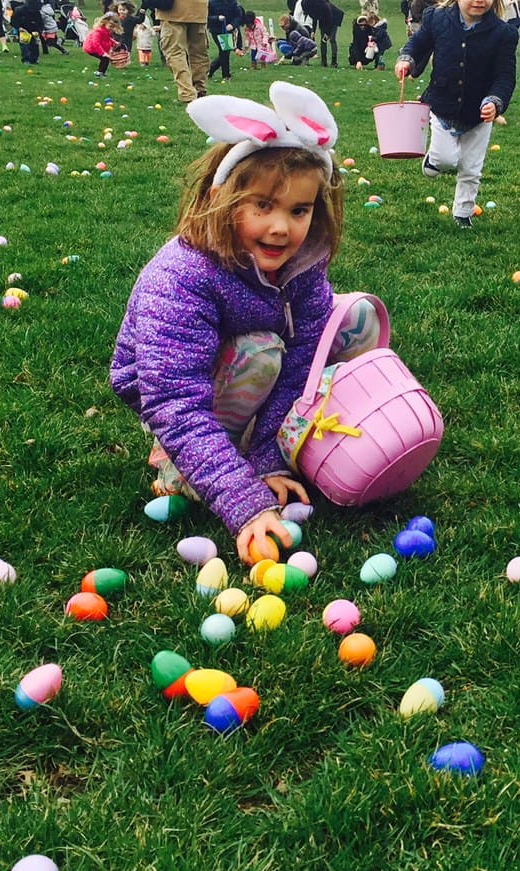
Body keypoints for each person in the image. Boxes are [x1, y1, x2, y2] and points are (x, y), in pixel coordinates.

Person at [111, 81, 375, 562]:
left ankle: (265, 449)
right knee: (260, 352)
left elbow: (305, 362)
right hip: (176, 398)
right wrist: (245, 501)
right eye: (262, 206)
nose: (281, 228)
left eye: (299, 210)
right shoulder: (182, 278)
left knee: (353, 318)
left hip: (252, 374)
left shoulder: (302, 266)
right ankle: (186, 467)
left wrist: (271, 459)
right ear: (224, 199)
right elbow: (172, 398)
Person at [395, 0, 518, 229]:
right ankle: (433, 159)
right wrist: (407, 59)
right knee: (446, 158)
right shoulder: (437, 19)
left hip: (479, 114)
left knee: (471, 168)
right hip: (441, 106)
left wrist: (495, 101)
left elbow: (505, 76)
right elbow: (418, 44)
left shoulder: (503, 34)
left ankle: (463, 213)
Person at [206, 0, 245, 82]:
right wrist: (217, 18)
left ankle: (210, 70)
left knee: (225, 51)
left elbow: (238, 15)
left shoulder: (232, 1)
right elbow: (206, 17)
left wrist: (232, 25)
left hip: (228, 30)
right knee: (225, 50)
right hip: (216, 30)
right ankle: (226, 75)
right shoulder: (211, 2)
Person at [299, 0, 344, 68]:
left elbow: (329, 18)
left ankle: (334, 62)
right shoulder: (311, 5)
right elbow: (315, 17)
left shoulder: (323, 5)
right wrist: (313, 31)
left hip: (334, 17)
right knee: (323, 40)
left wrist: (328, 33)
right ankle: (323, 62)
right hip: (324, 19)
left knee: (332, 39)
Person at [84, 11, 123, 75]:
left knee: (105, 59)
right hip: (91, 48)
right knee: (105, 58)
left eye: (113, 27)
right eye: (110, 26)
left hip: (96, 47)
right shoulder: (98, 31)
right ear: (105, 22)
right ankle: (100, 73)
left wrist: (114, 42)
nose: (112, 28)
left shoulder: (106, 31)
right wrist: (103, 53)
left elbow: (107, 38)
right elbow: (96, 43)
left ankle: (101, 72)